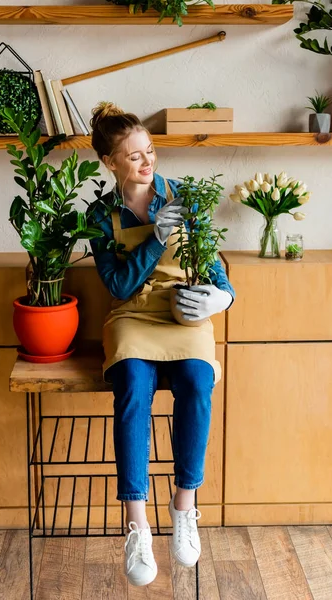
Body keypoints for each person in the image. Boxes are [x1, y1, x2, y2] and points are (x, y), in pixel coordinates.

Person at [88, 101, 235, 587]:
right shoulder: (100, 214)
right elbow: (119, 286)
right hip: (133, 315)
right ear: (110, 163)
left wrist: (221, 297)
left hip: (184, 310)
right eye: (134, 157)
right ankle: (136, 525)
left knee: (197, 379)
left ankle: (184, 509)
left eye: (150, 151)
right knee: (132, 382)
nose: (147, 163)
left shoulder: (185, 197)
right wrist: (155, 238)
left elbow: (212, 266)